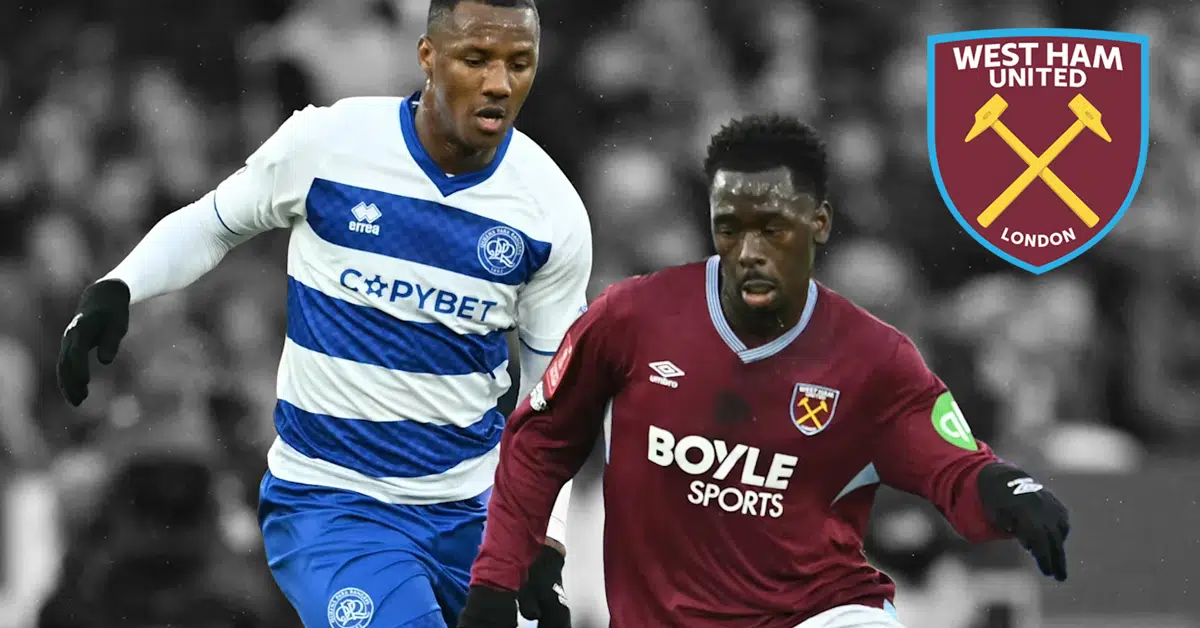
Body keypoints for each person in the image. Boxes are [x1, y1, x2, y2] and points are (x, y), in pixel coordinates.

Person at [55, 1, 582, 626]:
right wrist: (119, 286)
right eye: (476, 59)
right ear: (427, 56)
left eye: (520, 63)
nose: (499, 83)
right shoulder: (331, 143)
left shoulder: (549, 208)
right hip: (336, 504)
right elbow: (212, 223)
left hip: (474, 508)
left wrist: (546, 536)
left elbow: (553, 398)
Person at [457, 114, 1071, 628]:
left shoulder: (874, 359)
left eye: (773, 229)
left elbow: (954, 469)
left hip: (820, 613)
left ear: (819, 223)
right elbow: (540, 440)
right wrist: (499, 574)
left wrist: (1006, 489)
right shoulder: (631, 319)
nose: (749, 252)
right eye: (730, 228)